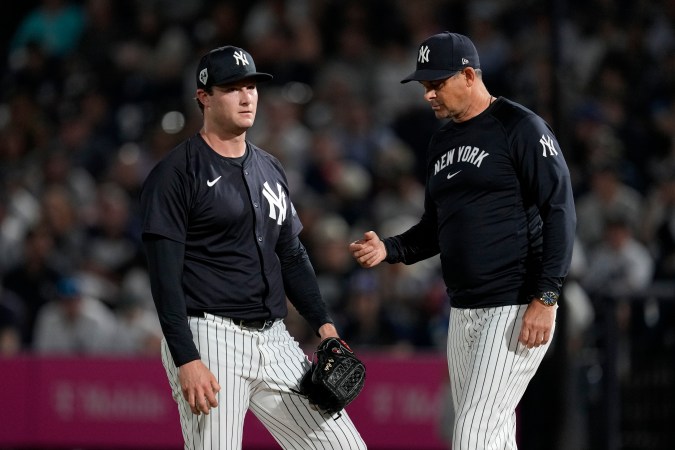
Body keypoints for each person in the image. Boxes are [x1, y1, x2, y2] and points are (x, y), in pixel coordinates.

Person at [349, 32, 576, 449]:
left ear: (469, 75)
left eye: (437, 84)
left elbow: (560, 210)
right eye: (424, 86)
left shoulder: (520, 126)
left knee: (472, 434)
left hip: (514, 306)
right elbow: (435, 228)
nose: (428, 95)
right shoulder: (441, 140)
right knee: (494, 434)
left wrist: (546, 297)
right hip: (464, 311)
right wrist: (390, 248)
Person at [140, 45, 365, 450]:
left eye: (252, 87)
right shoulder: (176, 173)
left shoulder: (270, 167)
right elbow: (164, 277)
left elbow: (291, 254)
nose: (246, 97)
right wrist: (185, 358)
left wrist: (324, 326)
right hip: (209, 336)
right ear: (204, 97)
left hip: (274, 338)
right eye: (232, 88)